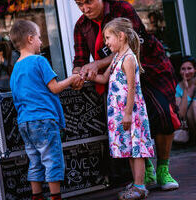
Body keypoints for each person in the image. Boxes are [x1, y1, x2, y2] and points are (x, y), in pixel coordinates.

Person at [72, 0, 180, 191]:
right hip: (117, 77)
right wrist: (79, 73)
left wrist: (97, 63)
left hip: (150, 67)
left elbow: (135, 44)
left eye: (88, 2)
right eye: (79, 4)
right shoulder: (81, 25)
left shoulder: (121, 8)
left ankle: (163, 168)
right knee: (130, 130)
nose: (84, 9)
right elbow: (79, 60)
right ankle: (146, 170)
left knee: (164, 114)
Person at [9, 20, 81, 200]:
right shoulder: (39, 61)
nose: (41, 42)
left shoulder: (15, 68)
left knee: (35, 161)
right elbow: (55, 87)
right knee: (52, 159)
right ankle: (56, 196)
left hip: (25, 122)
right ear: (30, 38)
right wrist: (72, 78)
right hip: (43, 120)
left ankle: (37, 196)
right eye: (40, 38)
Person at [93, 17, 154, 200]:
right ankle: (136, 183)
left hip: (132, 112)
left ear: (120, 36)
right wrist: (84, 75)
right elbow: (104, 79)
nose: (106, 43)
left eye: (108, 38)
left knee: (138, 149)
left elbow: (132, 88)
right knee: (129, 147)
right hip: (120, 113)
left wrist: (127, 114)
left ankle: (140, 186)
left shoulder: (128, 58)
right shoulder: (117, 57)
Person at [175, 56, 196, 144]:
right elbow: (181, 114)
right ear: (179, 71)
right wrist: (185, 90)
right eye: (183, 69)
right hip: (190, 125)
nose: (186, 72)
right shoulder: (178, 88)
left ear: (195, 70)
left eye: (189, 68)